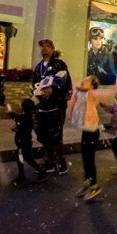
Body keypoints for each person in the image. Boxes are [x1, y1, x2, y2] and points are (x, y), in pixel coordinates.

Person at [32, 39, 72, 175]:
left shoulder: (59, 65)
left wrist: (54, 90)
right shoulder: (38, 67)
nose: (44, 48)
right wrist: (37, 94)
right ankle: (49, 159)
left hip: (56, 106)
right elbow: (35, 84)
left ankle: (61, 162)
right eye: (42, 46)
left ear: (53, 49)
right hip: (42, 107)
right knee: (41, 133)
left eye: (47, 46)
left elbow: (67, 84)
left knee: (56, 135)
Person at [67, 75, 107, 201]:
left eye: (86, 82)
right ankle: (87, 182)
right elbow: (73, 101)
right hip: (86, 130)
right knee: (85, 157)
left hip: (92, 131)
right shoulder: (82, 93)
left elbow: (89, 93)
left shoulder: (92, 94)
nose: (83, 82)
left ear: (93, 85)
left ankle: (94, 186)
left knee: (89, 158)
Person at [11, 99, 46, 185]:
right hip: (26, 141)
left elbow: (19, 124)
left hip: (23, 141)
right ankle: (39, 170)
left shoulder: (24, 118)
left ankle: (22, 175)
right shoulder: (28, 117)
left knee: (22, 158)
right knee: (27, 157)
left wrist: (15, 127)